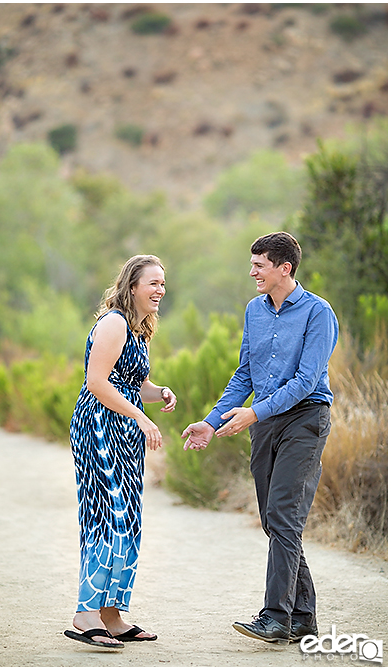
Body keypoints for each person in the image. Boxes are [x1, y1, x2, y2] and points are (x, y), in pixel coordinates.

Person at [182, 231, 338, 645]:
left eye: (259, 265)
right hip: (265, 421)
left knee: (284, 517)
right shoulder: (254, 310)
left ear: (284, 268)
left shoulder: (318, 313)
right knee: (275, 520)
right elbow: (245, 375)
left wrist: (254, 412)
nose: (252, 271)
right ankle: (303, 617)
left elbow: (307, 380)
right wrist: (212, 422)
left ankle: (275, 617)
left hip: (305, 419)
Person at [64, 255, 176, 650]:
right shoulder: (113, 322)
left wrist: (158, 393)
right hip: (99, 426)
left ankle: (112, 613)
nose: (160, 290)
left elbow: (133, 384)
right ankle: (86, 611)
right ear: (132, 287)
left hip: (125, 428)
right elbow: (97, 382)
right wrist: (143, 419)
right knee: (104, 517)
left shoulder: (139, 330)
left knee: (128, 518)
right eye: (153, 283)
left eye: (163, 283)